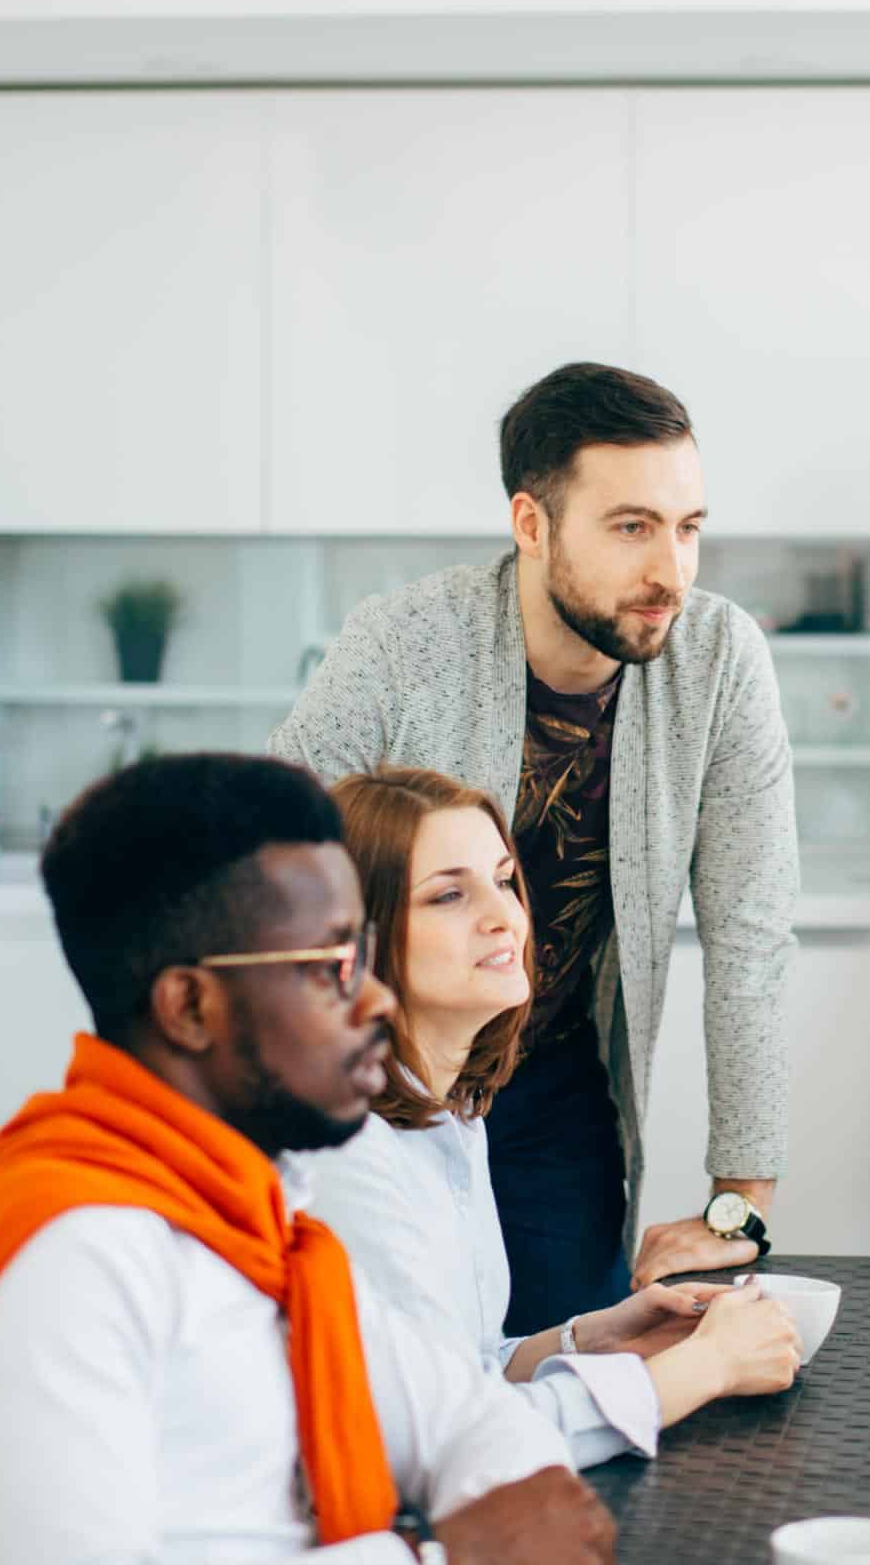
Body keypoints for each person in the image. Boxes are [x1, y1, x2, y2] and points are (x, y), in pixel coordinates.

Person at [0, 753, 614, 1565]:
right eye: (333, 967)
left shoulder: (270, 1225)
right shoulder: (75, 1263)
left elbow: (470, 1423)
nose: (375, 999)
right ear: (190, 1006)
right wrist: (439, 1554)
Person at [270, 361, 796, 1335]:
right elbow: (273, 857)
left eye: (688, 528)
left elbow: (752, 934)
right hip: (383, 1087)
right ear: (532, 524)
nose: (672, 571)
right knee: (386, 1386)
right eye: (631, 527)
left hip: (551, 1081)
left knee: (571, 1369)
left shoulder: (718, 658)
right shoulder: (403, 642)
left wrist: (740, 1198)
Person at [298, 767, 803, 1468]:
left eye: (505, 880)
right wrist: (701, 1371)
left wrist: (596, 1337)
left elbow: (461, 1365)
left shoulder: (451, 1119)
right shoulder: (346, 1159)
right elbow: (444, 1443)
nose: (504, 915)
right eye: (449, 894)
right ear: (359, 943)